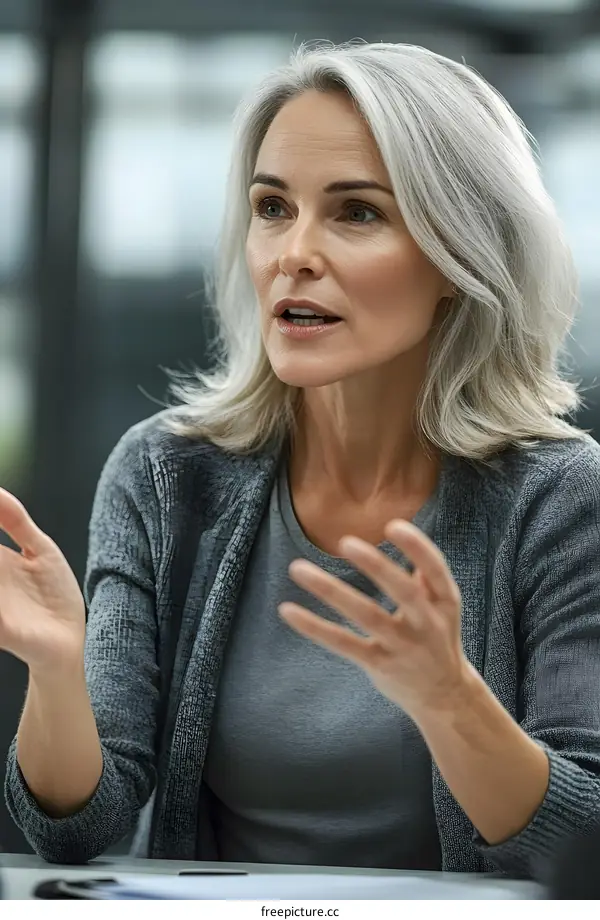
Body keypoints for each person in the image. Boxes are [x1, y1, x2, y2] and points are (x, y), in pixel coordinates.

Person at [1, 40, 600, 880]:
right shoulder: (167, 475)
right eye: (273, 207)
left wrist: (449, 699)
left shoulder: (561, 494)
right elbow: (75, 835)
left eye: (356, 212)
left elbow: (584, 847)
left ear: (459, 259)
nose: (293, 253)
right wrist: (58, 670)